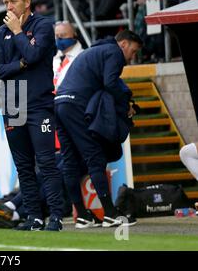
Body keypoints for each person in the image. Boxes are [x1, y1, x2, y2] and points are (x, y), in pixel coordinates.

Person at [0, 0, 64, 231]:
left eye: (13, 1)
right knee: (23, 166)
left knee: (46, 162)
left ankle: (55, 217)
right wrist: (19, 65)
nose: (8, 6)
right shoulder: (1, 33)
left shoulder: (43, 26)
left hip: (39, 106)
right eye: (5, 2)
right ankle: (33, 218)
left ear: (27, 2)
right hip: (13, 107)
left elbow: (33, 57)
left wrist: (19, 33)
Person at [55, 29, 142, 228]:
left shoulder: (95, 51)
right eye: (134, 51)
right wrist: (125, 105)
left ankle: (83, 215)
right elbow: (110, 83)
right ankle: (110, 214)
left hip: (59, 103)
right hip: (76, 105)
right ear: (124, 44)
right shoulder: (113, 53)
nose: (132, 57)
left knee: (70, 162)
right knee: (95, 157)